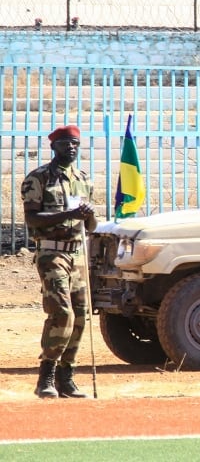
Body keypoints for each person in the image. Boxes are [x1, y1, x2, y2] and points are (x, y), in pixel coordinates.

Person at [20, 125, 97, 399]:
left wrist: (87, 215)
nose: (71, 148)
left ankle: (67, 377)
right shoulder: (38, 178)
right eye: (65, 144)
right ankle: (46, 375)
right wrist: (69, 213)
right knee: (61, 312)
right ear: (53, 147)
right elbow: (32, 219)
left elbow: (90, 225)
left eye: (75, 143)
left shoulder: (83, 180)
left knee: (80, 317)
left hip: (77, 253)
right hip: (51, 253)